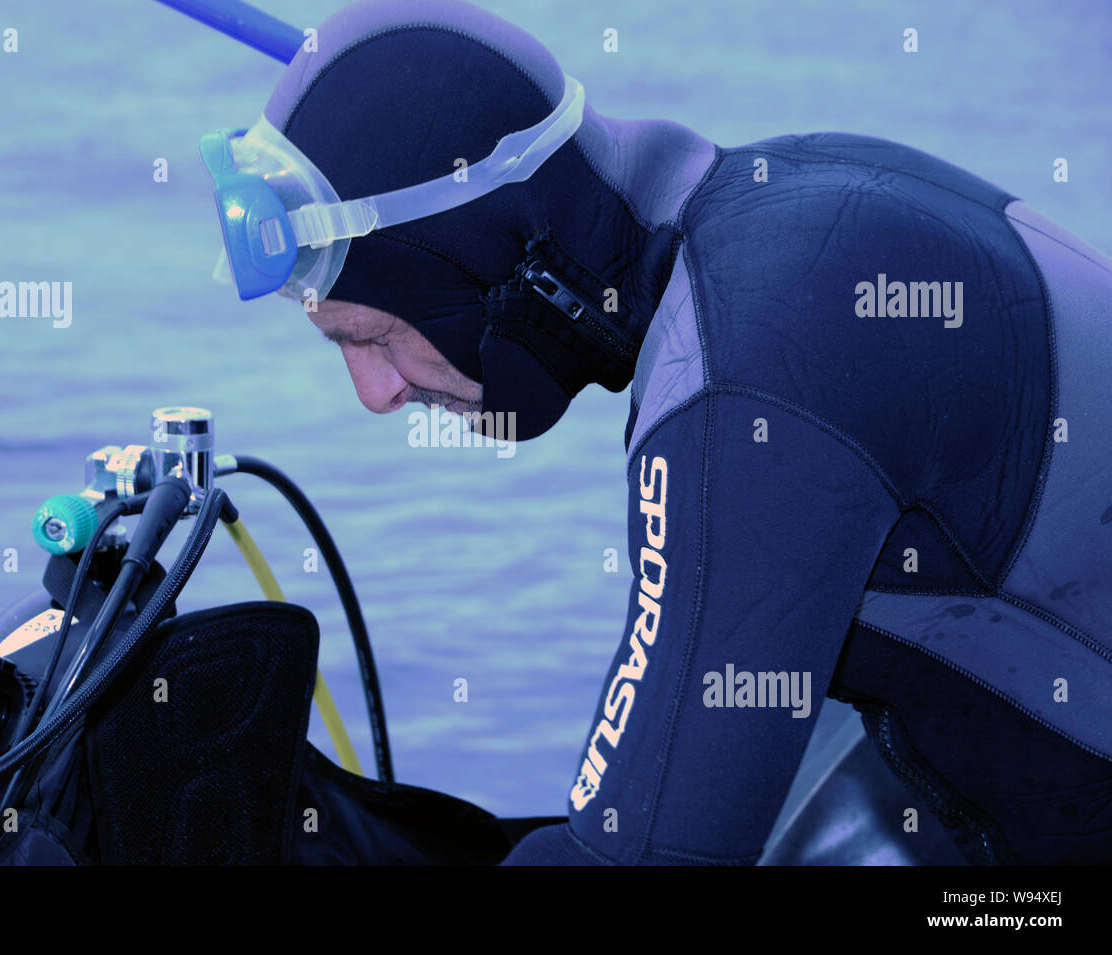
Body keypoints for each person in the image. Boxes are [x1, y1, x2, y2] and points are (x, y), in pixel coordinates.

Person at [203, 0, 1112, 864]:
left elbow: (644, 857)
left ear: (492, 261)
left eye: (369, 335)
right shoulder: (798, 193)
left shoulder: (749, 380)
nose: (374, 393)